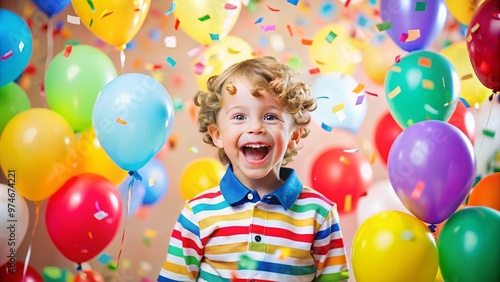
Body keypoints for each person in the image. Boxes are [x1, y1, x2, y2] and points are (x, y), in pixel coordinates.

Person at [158, 56, 349, 281]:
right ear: (217, 134)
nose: (256, 127)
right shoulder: (197, 214)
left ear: (294, 136)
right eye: (239, 116)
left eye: (270, 116)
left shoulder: (319, 212)